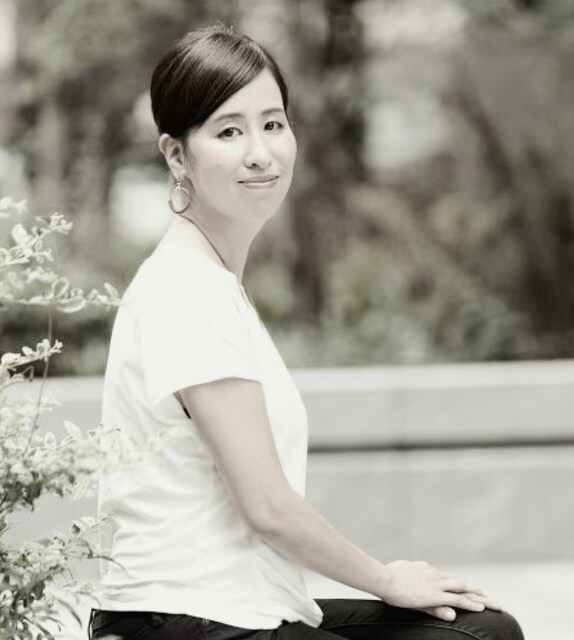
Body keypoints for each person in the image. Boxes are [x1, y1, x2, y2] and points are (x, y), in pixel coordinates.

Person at [90, 24, 525, 640]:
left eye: (272, 123)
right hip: (188, 618)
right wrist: (385, 578)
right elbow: (267, 507)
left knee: (481, 630)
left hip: (240, 606)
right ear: (177, 155)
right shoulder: (187, 291)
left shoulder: (213, 281)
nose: (260, 152)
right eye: (229, 131)